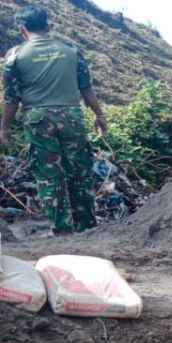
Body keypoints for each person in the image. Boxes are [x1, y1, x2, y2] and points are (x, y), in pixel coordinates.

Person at [1, 5, 105, 234]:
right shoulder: (71, 51)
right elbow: (87, 89)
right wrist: (99, 115)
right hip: (71, 117)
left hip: (38, 120)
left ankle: (62, 229)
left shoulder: (15, 56)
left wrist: (5, 129)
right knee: (79, 171)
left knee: (49, 176)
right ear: (49, 26)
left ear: (22, 29)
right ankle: (87, 227)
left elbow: (11, 98)